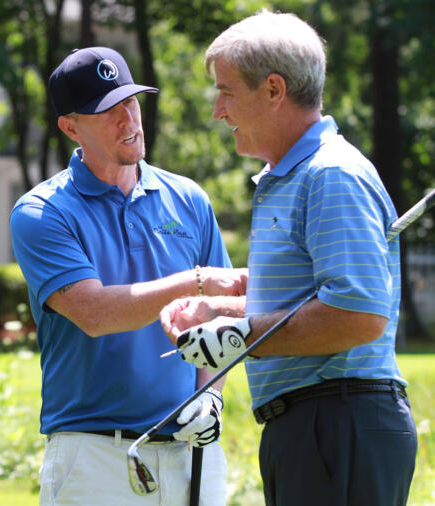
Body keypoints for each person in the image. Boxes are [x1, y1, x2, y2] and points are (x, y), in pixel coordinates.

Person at [161, 11, 417, 506]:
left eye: (226, 91)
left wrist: (239, 338)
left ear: (273, 90)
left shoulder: (331, 174)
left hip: (339, 421)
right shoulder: (293, 177)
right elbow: (306, 300)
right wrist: (219, 312)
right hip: (314, 426)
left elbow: (358, 314)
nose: (217, 111)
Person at [10, 46, 247, 506]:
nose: (128, 120)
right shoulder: (41, 212)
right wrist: (197, 281)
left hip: (192, 453)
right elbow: (95, 313)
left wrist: (210, 396)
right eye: (107, 111)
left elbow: (219, 317)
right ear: (70, 127)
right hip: (94, 456)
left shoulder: (189, 199)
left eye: (131, 102)